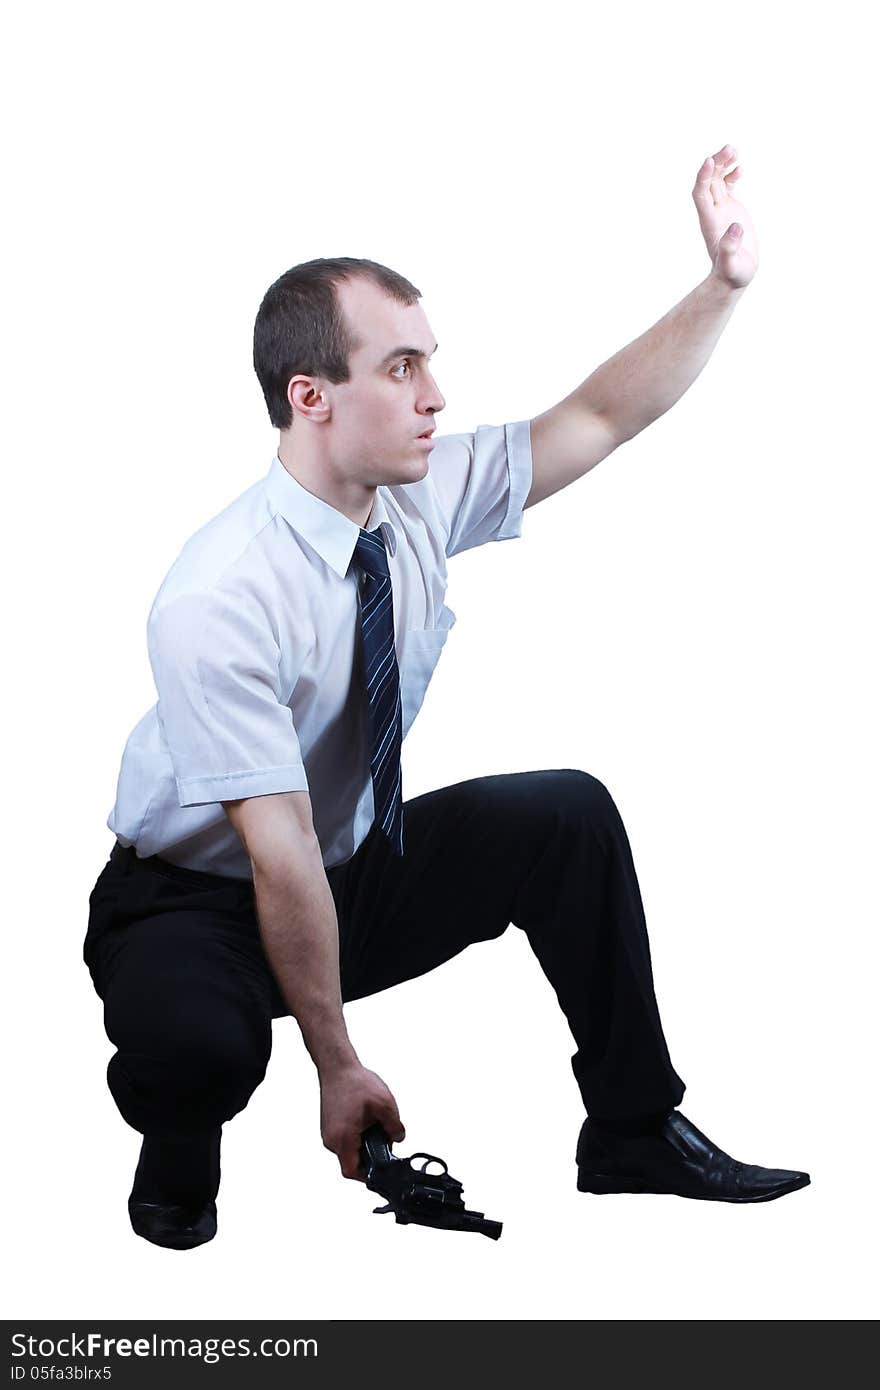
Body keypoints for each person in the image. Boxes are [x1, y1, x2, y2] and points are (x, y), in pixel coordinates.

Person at [84, 146, 809, 1250]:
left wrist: (721, 287)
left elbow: (600, 417)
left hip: (347, 868)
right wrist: (338, 1065)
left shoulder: (417, 498)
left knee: (564, 812)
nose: (437, 396)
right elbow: (273, 855)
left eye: (432, 364)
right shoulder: (217, 596)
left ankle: (631, 1128)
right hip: (197, 902)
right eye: (403, 367)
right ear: (311, 396)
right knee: (195, 1045)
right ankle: (181, 1142)